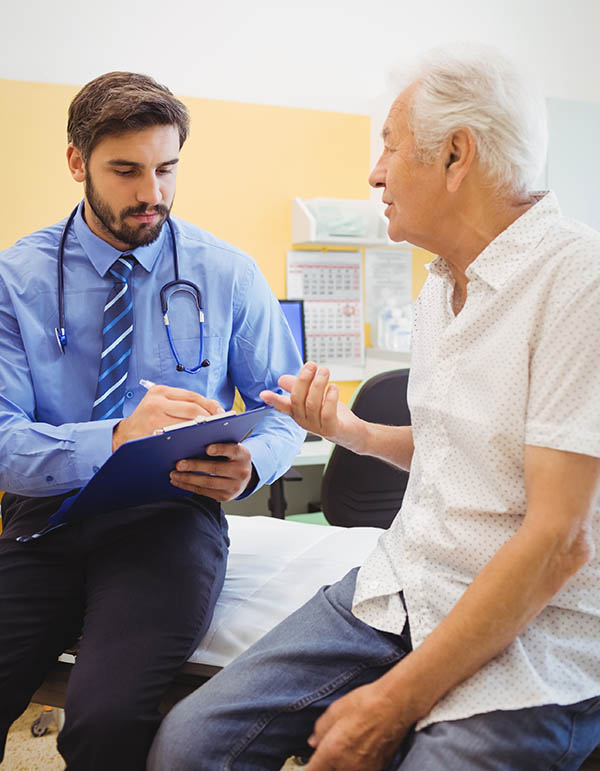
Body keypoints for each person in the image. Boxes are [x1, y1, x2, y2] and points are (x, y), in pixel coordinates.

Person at [148, 44, 600, 771]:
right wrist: (347, 429)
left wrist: (393, 703)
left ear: (456, 155)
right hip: (405, 584)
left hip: (536, 629)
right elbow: (465, 453)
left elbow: (560, 540)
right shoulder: (439, 283)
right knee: (188, 744)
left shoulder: (579, 281)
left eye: (389, 147)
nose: (374, 172)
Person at [0, 71, 305, 770]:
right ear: (77, 163)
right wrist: (113, 438)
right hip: (45, 520)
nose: (152, 193)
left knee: (105, 719)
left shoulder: (225, 273)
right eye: (127, 170)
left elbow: (284, 412)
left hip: (167, 521)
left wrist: (253, 463)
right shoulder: (14, 281)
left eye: (167, 169)